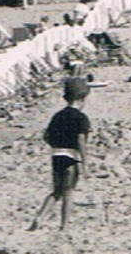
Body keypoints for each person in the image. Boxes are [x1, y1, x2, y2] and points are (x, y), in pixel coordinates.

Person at [29, 77, 93, 232]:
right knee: (68, 192)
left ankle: (40, 216)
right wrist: (85, 163)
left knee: (56, 191)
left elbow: (46, 136)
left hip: (56, 155)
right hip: (71, 157)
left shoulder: (57, 116)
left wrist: (56, 145)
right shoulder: (81, 117)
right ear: (82, 98)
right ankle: (64, 225)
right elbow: (81, 141)